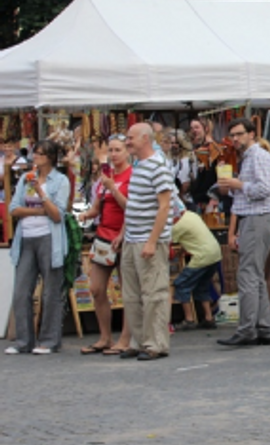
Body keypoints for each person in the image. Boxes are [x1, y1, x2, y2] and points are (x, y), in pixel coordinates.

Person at [115, 123, 175, 361]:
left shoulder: (158, 167)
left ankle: (156, 343)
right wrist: (124, 235)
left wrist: (152, 241)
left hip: (148, 240)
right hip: (132, 238)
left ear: (145, 139)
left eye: (130, 138)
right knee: (131, 294)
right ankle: (139, 340)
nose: (127, 142)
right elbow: (135, 206)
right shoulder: (139, 166)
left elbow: (164, 207)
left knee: (154, 293)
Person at [215, 118, 270, 347]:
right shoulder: (249, 157)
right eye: (232, 135)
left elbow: (264, 189)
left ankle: (247, 328)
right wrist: (231, 188)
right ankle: (263, 326)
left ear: (251, 134)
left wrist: (238, 185)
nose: (235, 139)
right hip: (254, 217)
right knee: (255, 273)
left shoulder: (258, 156)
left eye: (239, 134)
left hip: (257, 217)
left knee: (248, 274)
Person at [6, 141, 70, 355]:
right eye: (35, 154)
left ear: (50, 158)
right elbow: (13, 209)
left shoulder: (60, 181)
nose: (36, 158)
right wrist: (37, 211)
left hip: (49, 237)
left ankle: (49, 340)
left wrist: (41, 193)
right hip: (26, 237)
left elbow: (57, 214)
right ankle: (24, 340)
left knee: (50, 291)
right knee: (21, 290)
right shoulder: (25, 179)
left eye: (41, 155)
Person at [75, 134, 133, 354]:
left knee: (128, 289)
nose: (114, 154)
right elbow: (97, 208)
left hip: (125, 235)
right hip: (104, 235)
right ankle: (105, 336)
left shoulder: (132, 176)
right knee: (96, 288)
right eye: (111, 150)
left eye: (118, 150)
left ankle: (125, 339)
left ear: (127, 152)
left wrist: (114, 188)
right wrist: (82, 216)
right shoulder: (104, 179)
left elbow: (131, 207)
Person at [171, 204, 222, 331]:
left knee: (181, 284)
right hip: (215, 254)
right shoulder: (192, 215)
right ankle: (209, 318)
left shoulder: (176, 227)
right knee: (202, 285)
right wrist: (184, 248)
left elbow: (167, 244)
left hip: (202, 257)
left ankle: (189, 319)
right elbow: (194, 236)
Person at [187, 117, 222, 212]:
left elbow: (219, 175)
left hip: (210, 199)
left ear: (206, 129)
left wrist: (215, 196)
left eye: (197, 127)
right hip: (196, 198)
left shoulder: (215, 148)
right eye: (191, 128)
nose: (193, 130)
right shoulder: (193, 149)